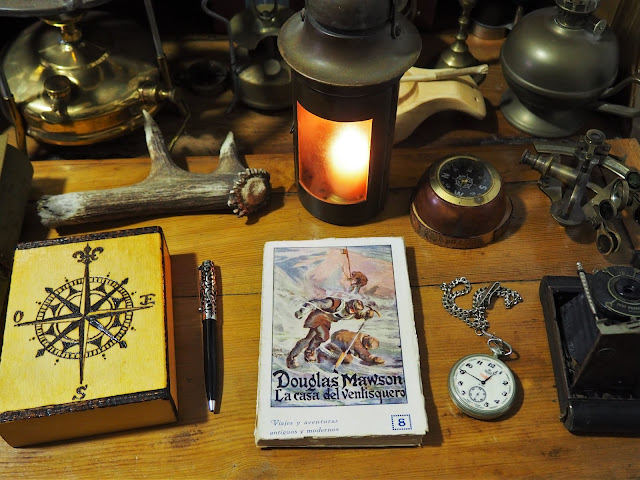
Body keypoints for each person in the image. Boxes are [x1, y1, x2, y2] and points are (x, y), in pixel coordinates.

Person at [286, 297, 373, 369]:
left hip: (325, 322)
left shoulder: (351, 313)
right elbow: (316, 303)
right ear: (349, 304)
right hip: (318, 317)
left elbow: (357, 315)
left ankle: (293, 357)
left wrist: (366, 315)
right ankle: (307, 351)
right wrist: (302, 311)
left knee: (308, 340)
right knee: (324, 336)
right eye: (352, 309)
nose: (351, 311)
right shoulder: (336, 303)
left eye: (354, 311)